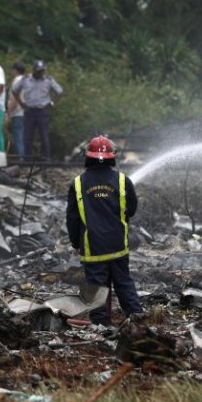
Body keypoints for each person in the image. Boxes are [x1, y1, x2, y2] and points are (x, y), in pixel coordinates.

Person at [66, 135, 142, 326]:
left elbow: (72, 219)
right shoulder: (124, 181)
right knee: (123, 282)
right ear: (112, 157)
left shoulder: (77, 184)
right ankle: (136, 317)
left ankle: (101, 325)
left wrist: (76, 242)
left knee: (97, 286)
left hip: (93, 246)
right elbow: (131, 209)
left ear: (88, 157)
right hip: (118, 245)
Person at [11, 60, 63, 161]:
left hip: (42, 111)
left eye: (42, 71)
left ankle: (45, 159)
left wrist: (52, 103)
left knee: (44, 136)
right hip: (29, 111)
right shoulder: (25, 79)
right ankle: (28, 160)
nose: (40, 73)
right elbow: (15, 90)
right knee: (27, 137)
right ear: (33, 70)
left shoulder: (48, 80)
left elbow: (60, 92)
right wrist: (21, 104)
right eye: (38, 71)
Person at [6, 61, 26, 158]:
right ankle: (26, 160)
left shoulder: (16, 81)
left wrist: (8, 112)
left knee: (18, 138)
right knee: (24, 138)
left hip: (17, 113)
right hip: (26, 113)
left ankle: (21, 161)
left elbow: (14, 99)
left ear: (15, 70)